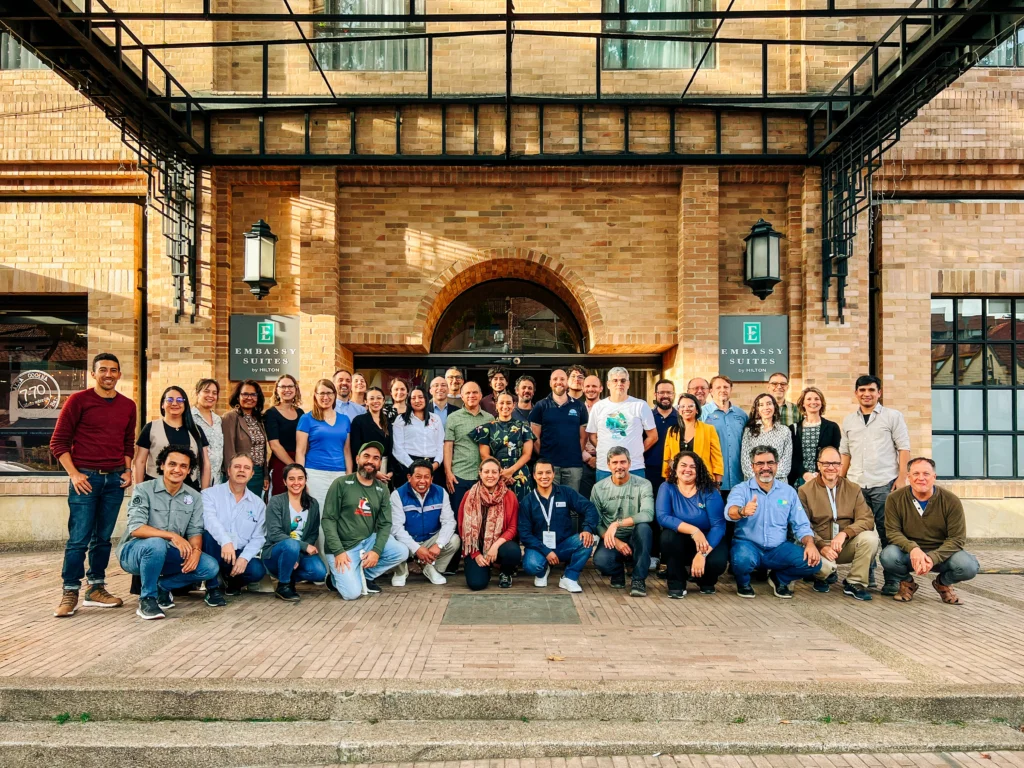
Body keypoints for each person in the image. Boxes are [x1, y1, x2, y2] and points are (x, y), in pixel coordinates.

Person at [50, 352, 137, 618]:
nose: (108, 374)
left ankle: (96, 587)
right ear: (93, 373)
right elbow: (58, 443)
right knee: (79, 539)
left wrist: (127, 470)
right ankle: (70, 590)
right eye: (103, 370)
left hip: (114, 481)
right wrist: (75, 475)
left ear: (119, 374)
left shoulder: (128, 405)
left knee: (102, 539)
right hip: (85, 479)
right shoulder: (78, 401)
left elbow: (126, 442)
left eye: (113, 370)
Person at [117, 446, 225, 620]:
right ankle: (147, 600)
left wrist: (196, 551)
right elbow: (136, 528)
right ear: (162, 466)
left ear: (189, 470)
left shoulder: (194, 497)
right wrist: (173, 536)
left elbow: (195, 530)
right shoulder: (144, 490)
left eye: (183, 466)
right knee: (157, 543)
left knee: (210, 566)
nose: (177, 469)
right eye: (172, 464)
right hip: (134, 553)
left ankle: (163, 587)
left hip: (169, 554)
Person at [840, 374, 911, 594]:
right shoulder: (849, 420)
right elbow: (845, 453)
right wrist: (841, 481)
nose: (866, 394)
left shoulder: (892, 416)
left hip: (884, 483)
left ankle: (892, 579)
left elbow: (904, 448)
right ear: (856, 394)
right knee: (862, 533)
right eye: (862, 390)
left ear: (879, 393)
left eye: (871, 390)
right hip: (856, 485)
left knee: (888, 532)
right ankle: (866, 575)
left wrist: (901, 478)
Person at [881, 457, 979, 605]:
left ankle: (943, 583)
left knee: (968, 566)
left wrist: (932, 557)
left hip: (942, 554)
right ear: (908, 477)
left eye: (926, 474)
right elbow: (893, 532)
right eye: (916, 474)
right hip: (908, 554)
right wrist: (913, 549)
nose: (921, 478)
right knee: (888, 556)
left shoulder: (950, 501)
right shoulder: (894, 499)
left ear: (934, 477)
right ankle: (907, 583)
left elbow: (957, 539)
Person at [727, 445, 821, 599]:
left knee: (814, 563)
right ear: (752, 467)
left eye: (770, 463)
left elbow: (801, 524)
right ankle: (743, 582)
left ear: (777, 465)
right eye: (760, 464)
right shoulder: (741, 489)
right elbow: (730, 511)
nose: (765, 468)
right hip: (749, 546)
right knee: (741, 559)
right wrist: (742, 511)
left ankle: (780, 579)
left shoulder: (788, 492)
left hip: (778, 549)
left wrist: (810, 544)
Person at [321, 441, 407, 600]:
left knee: (401, 551)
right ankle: (334, 579)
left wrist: (376, 551)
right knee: (351, 594)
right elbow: (328, 520)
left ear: (380, 463)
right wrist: (338, 551)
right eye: (366, 456)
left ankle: (365, 574)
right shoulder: (341, 483)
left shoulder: (382, 489)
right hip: (344, 546)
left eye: (375, 458)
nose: (370, 461)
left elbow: (385, 524)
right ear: (357, 459)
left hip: (367, 541)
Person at [798, 446, 878, 601]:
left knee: (871, 538)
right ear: (818, 465)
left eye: (835, 463)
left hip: (844, 543)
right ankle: (820, 577)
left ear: (841, 466)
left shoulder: (853, 488)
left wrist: (845, 533)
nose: (831, 468)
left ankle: (855, 582)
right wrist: (821, 546)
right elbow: (803, 524)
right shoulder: (804, 491)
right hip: (819, 545)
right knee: (825, 568)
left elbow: (867, 519)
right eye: (826, 463)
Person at [295, 379, 353, 570]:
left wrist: (349, 477)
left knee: (340, 518)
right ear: (315, 395)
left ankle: (340, 564)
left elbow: (347, 451)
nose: (325, 397)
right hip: (315, 473)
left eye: (329, 393)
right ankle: (323, 568)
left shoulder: (344, 420)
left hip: (339, 474)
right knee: (320, 519)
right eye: (321, 393)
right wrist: (302, 479)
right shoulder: (307, 418)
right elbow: (300, 451)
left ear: (335, 395)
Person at [519, 459, 598, 593]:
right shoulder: (528, 501)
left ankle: (569, 577)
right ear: (534, 475)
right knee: (531, 565)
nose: (544, 476)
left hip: (563, 545)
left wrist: (587, 529)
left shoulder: (565, 492)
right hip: (539, 547)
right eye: (540, 473)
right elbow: (525, 534)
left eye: (548, 472)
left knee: (587, 540)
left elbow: (589, 508)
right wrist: (546, 551)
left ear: (553, 474)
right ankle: (543, 569)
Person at [657, 451, 727, 598]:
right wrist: (694, 531)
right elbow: (663, 517)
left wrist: (702, 554)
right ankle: (677, 582)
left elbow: (719, 525)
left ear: (699, 470)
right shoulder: (667, 487)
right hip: (681, 538)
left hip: (707, 539)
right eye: (683, 465)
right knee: (667, 537)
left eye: (692, 466)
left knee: (718, 562)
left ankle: (705, 580)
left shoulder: (709, 490)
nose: (687, 469)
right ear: (675, 469)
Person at [591, 447, 655, 597]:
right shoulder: (599, 488)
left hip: (635, 535)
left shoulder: (643, 484)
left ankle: (638, 579)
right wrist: (616, 541)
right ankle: (618, 572)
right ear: (608, 465)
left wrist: (617, 523)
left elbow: (648, 514)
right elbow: (596, 523)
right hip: (612, 539)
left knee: (645, 528)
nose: (619, 466)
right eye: (615, 462)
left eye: (623, 462)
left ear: (630, 464)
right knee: (600, 560)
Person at [200, 452, 267, 595]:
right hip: (216, 549)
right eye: (237, 466)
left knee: (257, 570)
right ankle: (212, 588)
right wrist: (225, 541)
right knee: (207, 536)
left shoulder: (258, 504)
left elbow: (259, 537)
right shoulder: (209, 494)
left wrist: (244, 558)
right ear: (229, 471)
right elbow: (209, 521)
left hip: (239, 552)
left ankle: (233, 581)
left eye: (246, 468)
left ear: (252, 473)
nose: (242, 470)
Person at [261, 463, 327, 602]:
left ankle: (289, 578)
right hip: (275, 553)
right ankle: (284, 585)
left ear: (305, 480)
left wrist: (297, 555)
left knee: (319, 572)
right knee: (291, 545)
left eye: (300, 478)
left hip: (298, 554)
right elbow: (274, 534)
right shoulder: (276, 501)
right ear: (285, 481)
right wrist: (302, 547)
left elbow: (312, 534)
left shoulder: (313, 504)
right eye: (291, 479)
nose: (296, 483)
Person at [389, 459, 460, 586]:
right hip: (408, 541)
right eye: (418, 477)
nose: (422, 481)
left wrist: (438, 545)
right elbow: (396, 529)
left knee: (454, 540)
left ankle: (431, 567)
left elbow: (449, 522)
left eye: (427, 477)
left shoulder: (440, 492)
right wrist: (417, 549)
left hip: (430, 539)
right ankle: (400, 571)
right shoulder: (397, 495)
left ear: (432, 478)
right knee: (393, 541)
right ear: (409, 477)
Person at [458, 456, 521, 590]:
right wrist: (475, 554)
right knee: (476, 584)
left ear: (500, 474)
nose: (490, 476)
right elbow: (462, 527)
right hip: (476, 548)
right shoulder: (469, 495)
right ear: (480, 474)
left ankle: (505, 572)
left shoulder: (509, 496)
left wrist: (495, 546)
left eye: (494, 472)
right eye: (486, 472)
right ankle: (485, 569)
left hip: (500, 547)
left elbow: (513, 528)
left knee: (513, 552)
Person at [586, 367, 657, 481]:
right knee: (604, 499)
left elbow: (653, 436)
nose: (619, 384)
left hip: (634, 467)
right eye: (615, 380)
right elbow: (592, 436)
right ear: (608, 384)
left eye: (623, 380)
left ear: (628, 384)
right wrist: (603, 449)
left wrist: (636, 451)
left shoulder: (640, 405)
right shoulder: (598, 407)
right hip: (605, 468)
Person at [135, 385, 210, 491]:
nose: (174, 403)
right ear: (162, 404)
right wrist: (139, 491)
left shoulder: (196, 430)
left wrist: (204, 492)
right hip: (155, 488)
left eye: (180, 400)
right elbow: (140, 461)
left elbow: (205, 463)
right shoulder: (151, 428)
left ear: (185, 404)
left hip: (188, 489)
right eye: (169, 399)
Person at [530, 368, 588, 496]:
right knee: (550, 502)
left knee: (572, 504)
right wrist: (546, 456)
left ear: (567, 382)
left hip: (573, 466)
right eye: (555, 379)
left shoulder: (579, 406)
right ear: (550, 383)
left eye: (562, 379)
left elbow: (583, 438)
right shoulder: (541, 406)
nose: (559, 382)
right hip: (549, 466)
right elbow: (534, 437)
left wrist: (575, 453)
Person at [472, 392, 535, 499]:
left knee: (522, 510)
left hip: (519, 474)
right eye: (501, 403)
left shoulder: (523, 427)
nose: (505, 406)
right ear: (496, 405)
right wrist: (501, 472)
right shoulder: (487, 429)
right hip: (495, 475)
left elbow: (527, 454)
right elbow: (484, 455)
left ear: (513, 405)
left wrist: (510, 471)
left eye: (508, 403)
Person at [443, 381, 493, 515]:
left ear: (481, 395)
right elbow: (448, 445)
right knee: (460, 515)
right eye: (468, 393)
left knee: (482, 515)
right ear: (462, 396)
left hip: (484, 476)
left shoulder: (490, 418)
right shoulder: (453, 418)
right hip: (459, 476)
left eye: (475, 392)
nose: (472, 395)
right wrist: (448, 472)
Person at [701, 375, 748, 501]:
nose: (723, 390)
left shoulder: (741, 415)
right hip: (712, 478)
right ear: (711, 391)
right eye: (718, 387)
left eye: (726, 387)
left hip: (738, 478)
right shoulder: (702, 414)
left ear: (731, 390)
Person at [222, 380, 269, 497]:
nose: (249, 398)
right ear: (238, 397)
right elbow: (229, 450)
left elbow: (262, 449)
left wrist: (265, 475)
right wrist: (232, 477)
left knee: (252, 512)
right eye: (245, 394)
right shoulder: (230, 417)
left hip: (257, 474)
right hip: (239, 473)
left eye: (253, 394)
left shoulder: (258, 419)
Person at [663, 393, 723, 483]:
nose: (686, 408)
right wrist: (668, 480)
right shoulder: (672, 431)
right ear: (679, 410)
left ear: (697, 410)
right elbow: (667, 459)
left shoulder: (709, 429)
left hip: (703, 480)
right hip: (678, 481)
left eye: (690, 406)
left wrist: (718, 483)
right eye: (682, 406)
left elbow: (717, 459)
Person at [392, 385, 444, 488]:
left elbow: (440, 445)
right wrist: (414, 466)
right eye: (413, 398)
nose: (417, 400)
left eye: (420, 397)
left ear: (426, 398)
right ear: (409, 400)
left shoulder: (435, 419)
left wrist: (436, 464)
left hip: (433, 465)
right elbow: (398, 448)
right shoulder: (401, 420)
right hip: (409, 465)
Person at [789, 387, 841, 488]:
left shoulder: (832, 427)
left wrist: (821, 473)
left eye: (817, 399)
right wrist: (805, 474)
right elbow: (792, 457)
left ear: (821, 403)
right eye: (809, 399)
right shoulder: (794, 429)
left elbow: (836, 454)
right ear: (803, 403)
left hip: (824, 479)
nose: (813, 402)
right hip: (800, 479)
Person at [264, 374, 305, 496]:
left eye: (290, 386)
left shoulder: (300, 412)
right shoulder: (271, 413)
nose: (287, 390)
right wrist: (293, 466)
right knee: (281, 499)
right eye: (283, 387)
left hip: (299, 459)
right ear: (277, 390)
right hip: (281, 462)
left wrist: (299, 464)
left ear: (296, 389)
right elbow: (274, 445)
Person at [740, 393, 792, 483]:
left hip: (779, 482)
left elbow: (786, 462)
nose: (766, 407)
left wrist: (769, 478)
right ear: (757, 409)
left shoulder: (785, 431)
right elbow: (745, 460)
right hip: (754, 482)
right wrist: (760, 479)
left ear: (774, 407)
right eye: (761, 405)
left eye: (769, 404)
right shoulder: (749, 431)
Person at [350, 386, 395, 487]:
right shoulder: (359, 421)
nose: (376, 401)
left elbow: (391, 448)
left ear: (383, 401)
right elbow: (356, 449)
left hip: (385, 470)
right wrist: (375, 472)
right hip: (366, 469)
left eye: (379, 398)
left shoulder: (387, 422)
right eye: (372, 398)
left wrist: (390, 471)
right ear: (366, 401)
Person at [644, 379, 677, 502]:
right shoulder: (647, 417)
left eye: (669, 393)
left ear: (673, 395)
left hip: (674, 472)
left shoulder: (681, 419)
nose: (665, 396)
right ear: (655, 394)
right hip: (649, 471)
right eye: (662, 392)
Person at [192, 378, 224, 485]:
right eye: (206, 391)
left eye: (214, 393)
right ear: (197, 393)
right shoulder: (189, 418)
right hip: (195, 479)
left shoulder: (218, 419)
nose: (211, 395)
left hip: (216, 480)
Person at [579, 374, 603, 500]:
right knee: (585, 502)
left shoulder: (608, 409)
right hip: (583, 462)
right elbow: (572, 436)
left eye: (594, 386)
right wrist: (587, 458)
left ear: (601, 388)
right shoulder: (577, 409)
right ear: (583, 388)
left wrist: (598, 458)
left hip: (605, 462)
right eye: (587, 386)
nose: (590, 389)